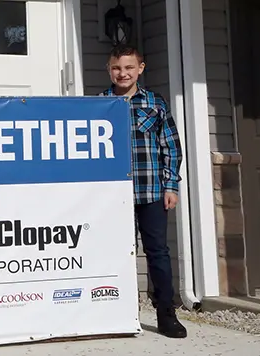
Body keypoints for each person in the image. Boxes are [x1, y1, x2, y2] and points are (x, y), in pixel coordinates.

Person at [101, 45, 187, 339]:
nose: (122, 73)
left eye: (128, 67)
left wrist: (171, 185)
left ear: (141, 68)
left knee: (158, 253)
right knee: (116, 253)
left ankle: (167, 314)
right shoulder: (97, 105)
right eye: (116, 68)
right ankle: (116, 313)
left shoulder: (156, 103)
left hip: (151, 192)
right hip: (113, 196)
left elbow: (171, 148)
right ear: (108, 69)